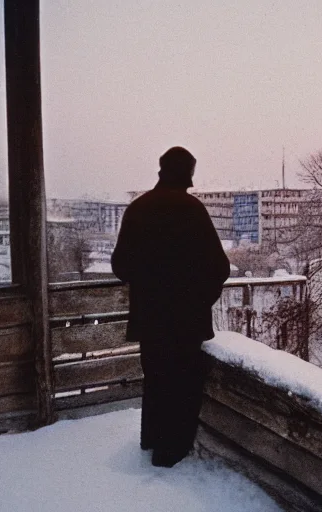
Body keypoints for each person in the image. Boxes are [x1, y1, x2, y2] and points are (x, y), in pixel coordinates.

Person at [112, 146, 230, 467]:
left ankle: (151, 439)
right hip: (186, 321)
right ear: (188, 173)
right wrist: (199, 299)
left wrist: (150, 283)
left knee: (156, 379)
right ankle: (172, 453)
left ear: (162, 169)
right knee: (183, 383)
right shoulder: (193, 210)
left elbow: (120, 266)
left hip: (150, 319)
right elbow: (220, 267)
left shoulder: (138, 208)